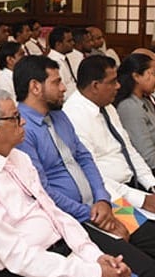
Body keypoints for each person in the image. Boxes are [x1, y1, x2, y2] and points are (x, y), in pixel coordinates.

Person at [0, 88, 155, 277]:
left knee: (146, 274)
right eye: (15, 117)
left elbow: (54, 212)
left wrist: (94, 255)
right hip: (21, 274)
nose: (23, 122)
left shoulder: (19, 158)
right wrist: (95, 274)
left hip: (63, 244)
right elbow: (17, 257)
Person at [15, 55, 155, 259]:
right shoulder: (21, 129)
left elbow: (85, 158)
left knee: (149, 236)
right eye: (57, 82)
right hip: (75, 218)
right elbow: (42, 191)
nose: (64, 87)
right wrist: (92, 214)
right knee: (144, 268)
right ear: (35, 87)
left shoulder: (59, 115)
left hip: (104, 203)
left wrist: (102, 199)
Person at [64, 56, 155, 212]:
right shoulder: (73, 116)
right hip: (109, 197)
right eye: (113, 82)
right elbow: (91, 174)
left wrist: (152, 184)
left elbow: (129, 149)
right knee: (149, 234)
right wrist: (141, 200)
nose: (118, 86)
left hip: (132, 187)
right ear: (95, 86)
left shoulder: (107, 107)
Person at [115, 53, 155, 172]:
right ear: (136, 76)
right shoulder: (129, 107)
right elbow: (148, 157)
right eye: (152, 73)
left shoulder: (144, 101)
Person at [47, 26, 77, 98]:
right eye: (69, 41)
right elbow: (60, 90)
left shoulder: (64, 58)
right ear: (58, 44)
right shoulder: (54, 62)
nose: (73, 43)